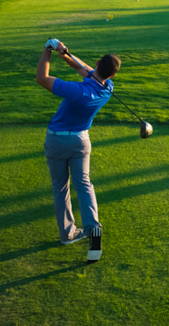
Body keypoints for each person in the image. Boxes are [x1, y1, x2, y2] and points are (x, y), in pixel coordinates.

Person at [35, 39, 121, 263]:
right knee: (84, 184)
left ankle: (68, 234)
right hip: (81, 142)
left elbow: (42, 79)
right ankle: (93, 229)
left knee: (60, 188)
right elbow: (82, 68)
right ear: (112, 75)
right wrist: (64, 54)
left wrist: (47, 51)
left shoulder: (77, 90)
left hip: (56, 141)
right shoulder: (107, 88)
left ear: (97, 63)